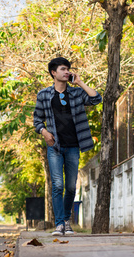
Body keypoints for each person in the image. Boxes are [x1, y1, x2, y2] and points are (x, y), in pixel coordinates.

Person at [33, 57, 102, 236]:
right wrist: (45, 133)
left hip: (73, 146)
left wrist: (79, 82)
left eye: (68, 69)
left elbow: (96, 99)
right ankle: (59, 225)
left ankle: (65, 222)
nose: (67, 72)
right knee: (57, 185)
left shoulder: (77, 94)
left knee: (71, 187)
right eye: (63, 69)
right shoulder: (44, 95)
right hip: (55, 147)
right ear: (53, 73)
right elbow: (37, 120)